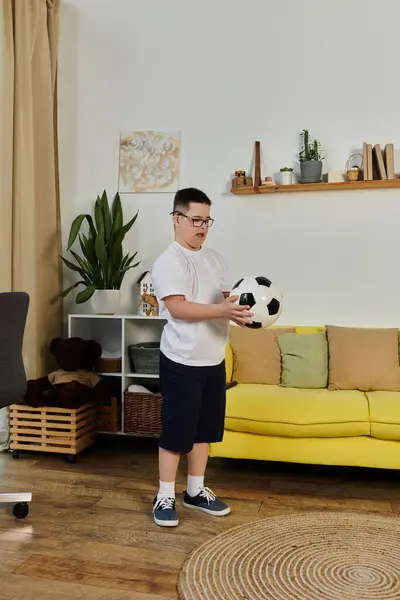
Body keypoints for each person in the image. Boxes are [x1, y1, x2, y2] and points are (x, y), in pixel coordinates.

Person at [151, 187, 253, 527]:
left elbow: (227, 298)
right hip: (181, 359)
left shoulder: (215, 259)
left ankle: (195, 491)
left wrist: (240, 310)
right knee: (176, 432)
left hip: (212, 358)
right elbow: (178, 307)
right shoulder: (169, 261)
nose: (202, 227)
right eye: (196, 220)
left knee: (204, 431)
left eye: (207, 220)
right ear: (177, 220)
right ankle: (165, 494)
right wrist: (221, 309)